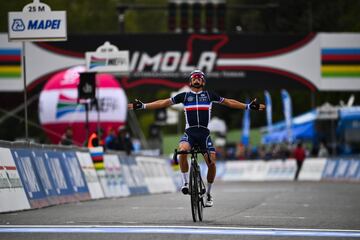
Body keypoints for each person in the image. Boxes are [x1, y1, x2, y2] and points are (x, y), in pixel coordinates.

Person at [128, 69, 265, 207]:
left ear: (203, 82)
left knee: (211, 162)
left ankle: (209, 193)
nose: (197, 79)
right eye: (194, 77)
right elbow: (163, 102)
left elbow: (229, 102)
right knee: (182, 151)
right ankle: (185, 182)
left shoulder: (209, 95)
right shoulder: (185, 96)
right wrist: (143, 105)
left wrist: (247, 106)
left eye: (200, 77)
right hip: (190, 134)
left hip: (204, 134)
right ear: (190, 81)